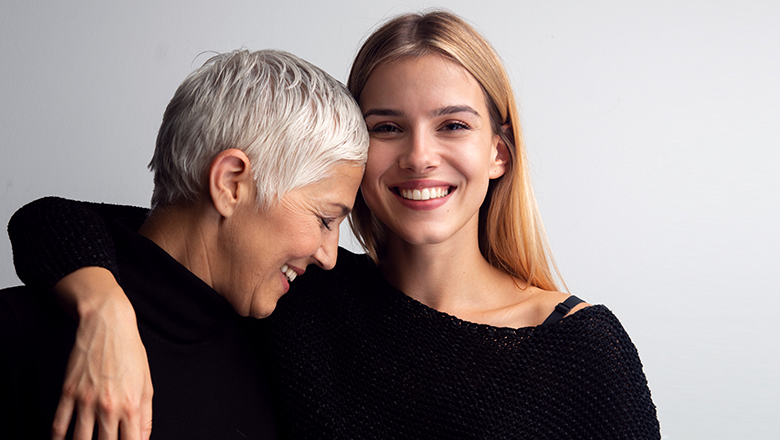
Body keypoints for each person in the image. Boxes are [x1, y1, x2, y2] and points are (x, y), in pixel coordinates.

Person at [7, 11, 660, 439]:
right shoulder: (300, 296)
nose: (420, 155)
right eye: (386, 128)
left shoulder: (580, 351)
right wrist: (102, 311)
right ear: (349, 152)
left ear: (499, 153)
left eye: (453, 124)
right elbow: (68, 223)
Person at [0, 49, 367, 440]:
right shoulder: (18, 335)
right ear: (230, 183)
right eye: (326, 220)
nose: (329, 256)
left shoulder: (281, 346)